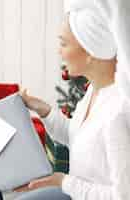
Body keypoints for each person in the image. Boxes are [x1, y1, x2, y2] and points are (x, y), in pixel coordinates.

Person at [15, 6, 130, 200]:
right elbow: (80, 139)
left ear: (90, 51)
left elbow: (123, 196)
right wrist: (42, 109)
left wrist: (65, 182)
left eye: (64, 43)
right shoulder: (95, 91)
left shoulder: (117, 112)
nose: (58, 51)